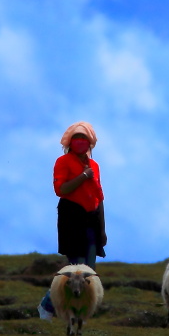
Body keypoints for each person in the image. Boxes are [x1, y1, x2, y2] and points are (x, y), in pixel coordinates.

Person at [39, 121, 106, 319]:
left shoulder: (94, 165)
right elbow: (61, 189)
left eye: (84, 139)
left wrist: (102, 229)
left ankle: (78, 312)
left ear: (90, 142)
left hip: (92, 220)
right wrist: (83, 176)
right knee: (74, 270)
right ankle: (48, 306)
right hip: (72, 218)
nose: (80, 142)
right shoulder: (63, 162)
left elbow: (99, 197)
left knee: (89, 273)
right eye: (76, 138)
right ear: (70, 142)